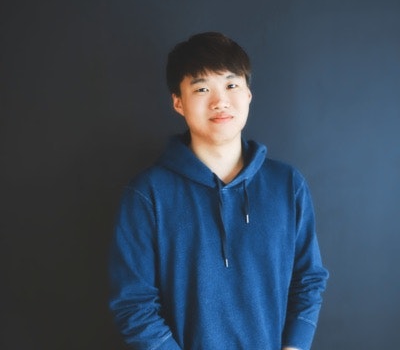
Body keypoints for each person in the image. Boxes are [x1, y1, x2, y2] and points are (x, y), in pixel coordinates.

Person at [108, 32, 329, 350]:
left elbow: (308, 280)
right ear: (178, 102)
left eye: (231, 85)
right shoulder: (147, 194)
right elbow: (133, 303)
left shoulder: (287, 185)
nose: (219, 101)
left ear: (248, 94)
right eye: (201, 89)